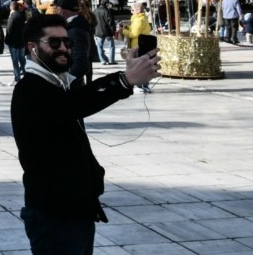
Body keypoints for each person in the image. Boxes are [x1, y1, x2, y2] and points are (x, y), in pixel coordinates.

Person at [11, 13, 159, 254]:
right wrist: (124, 81)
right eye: (54, 43)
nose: (63, 49)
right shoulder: (29, 89)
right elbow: (74, 105)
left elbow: (78, 97)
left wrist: (126, 75)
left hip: (74, 210)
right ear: (33, 47)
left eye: (67, 42)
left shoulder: (56, 83)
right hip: (53, 215)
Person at [54, 0, 93, 88]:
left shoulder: (75, 30)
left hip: (73, 88)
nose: (56, 11)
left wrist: (65, 82)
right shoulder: (78, 24)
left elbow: (81, 63)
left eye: (57, 9)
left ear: (63, 11)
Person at [121, 4, 153, 94]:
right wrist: (127, 27)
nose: (131, 11)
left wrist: (123, 31)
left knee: (137, 67)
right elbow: (135, 30)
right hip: (143, 45)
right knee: (144, 66)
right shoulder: (142, 19)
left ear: (138, 11)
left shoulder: (139, 20)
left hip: (137, 46)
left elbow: (133, 34)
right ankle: (145, 85)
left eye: (132, 10)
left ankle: (139, 86)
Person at [4, 1, 27, 84]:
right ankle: (26, 76)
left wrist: (6, 40)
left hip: (13, 42)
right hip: (22, 41)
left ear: (11, 7)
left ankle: (17, 78)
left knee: (15, 61)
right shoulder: (22, 15)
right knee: (22, 60)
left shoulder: (12, 17)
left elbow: (9, 30)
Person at [92, 0, 117, 66]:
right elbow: (111, 23)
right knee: (111, 46)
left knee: (99, 46)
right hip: (107, 31)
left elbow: (93, 22)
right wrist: (113, 32)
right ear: (106, 3)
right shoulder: (107, 11)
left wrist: (94, 31)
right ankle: (111, 60)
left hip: (98, 31)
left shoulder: (95, 11)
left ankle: (102, 60)